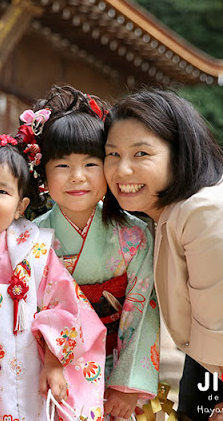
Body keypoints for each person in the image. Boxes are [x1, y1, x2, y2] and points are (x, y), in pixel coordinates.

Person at [102, 89, 223, 420]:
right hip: (222, 361)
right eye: (112, 154)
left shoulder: (206, 210)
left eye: (141, 154)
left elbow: (219, 319)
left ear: (179, 155)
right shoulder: (169, 215)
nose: (122, 170)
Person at [0, 130, 107, 420]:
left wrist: (54, 362)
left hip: (27, 370)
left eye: (2, 191)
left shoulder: (32, 250)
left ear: (20, 207)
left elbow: (67, 306)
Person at [29, 85, 160, 420]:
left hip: (114, 364)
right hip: (46, 367)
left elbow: (141, 311)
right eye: (62, 166)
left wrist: (126, 385)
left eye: (91, 163)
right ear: (42, 172)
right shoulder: (31, 237)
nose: (77, 177)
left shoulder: (134, 235)